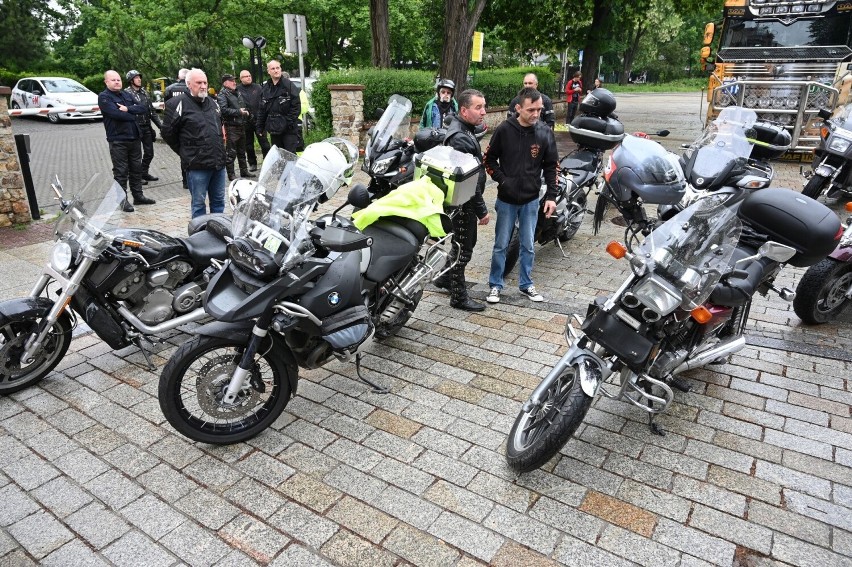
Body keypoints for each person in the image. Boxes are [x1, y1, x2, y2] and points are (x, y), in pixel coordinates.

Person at [484, 87, 557, 304]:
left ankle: (526, 284)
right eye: (531, 110)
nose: (536, 114)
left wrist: (551, 196)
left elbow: (552, 166)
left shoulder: (544, 132)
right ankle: (495, 284)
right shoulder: (504, 130)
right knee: (501, 244)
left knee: (528, 244)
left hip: (531, 199)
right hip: (506, 199)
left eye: (539, 110)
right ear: (518, 108)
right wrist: (503, 180)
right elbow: (488, 160)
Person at [432, 89, 490, 311]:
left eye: (484, 106)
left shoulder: (464, 129)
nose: (483, 112)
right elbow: (470, 180)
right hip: (463, 203)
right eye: (478, 107)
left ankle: (444, 278)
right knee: (463, 249)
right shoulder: (460, 138)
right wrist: (482, 210)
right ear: (464, 110)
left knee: (464, 244)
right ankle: (458, 297)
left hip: (462, 200)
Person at [161, 68, 227, 218]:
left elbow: (220, 127)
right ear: (189, 84)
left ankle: (217, 233)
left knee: (218, 202)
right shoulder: (177, 103)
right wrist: (186, 152)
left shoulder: (213, 103)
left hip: (218, 163)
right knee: (198, 204)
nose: (203, 86)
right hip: (197, 165)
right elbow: (167, 133)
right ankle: (200, 236)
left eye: (205, 82)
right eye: (199, 83)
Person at [98, 70, 156, 213]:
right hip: (118, 140)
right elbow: (115, 114)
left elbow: (143, 108)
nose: (117, 82)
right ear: (106, 82)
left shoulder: (126, 95)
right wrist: (132, 114)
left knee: (136, 169)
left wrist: (128, 109)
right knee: (121, 172)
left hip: (134, 138)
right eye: (113, 80)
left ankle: (138, 196)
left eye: (118, 80)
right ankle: (122, 201)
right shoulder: (104, 97)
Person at [124, 69, 163, 183]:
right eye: (136, 78)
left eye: (139, 77)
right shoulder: (126, 94)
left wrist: (161, 126)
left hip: (146, 127)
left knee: (149, 153)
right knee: (135, 155)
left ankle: (143, 172)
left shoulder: (144, 93)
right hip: (134, 128)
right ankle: (135, 177)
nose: (139, 79)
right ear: (131, 81)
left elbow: (152, 111)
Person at [256, 60, 302, 152]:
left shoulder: (288, 85)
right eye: (273, 68)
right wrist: (260, 127)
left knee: (290, 157)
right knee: (278, 157)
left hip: (289, 130)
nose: (276, 70)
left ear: (281, 69)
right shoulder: (266, 88)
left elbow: (296, 106)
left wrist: (287, 122)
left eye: (278, 68)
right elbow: (262, 109)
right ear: (268, 71)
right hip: (274, 130)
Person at [217, 74, 255, 181]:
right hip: (231, 126)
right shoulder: (222, 95)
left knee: (242, 151)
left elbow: (242, 105)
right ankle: (231, 174)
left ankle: (244, 171)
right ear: (225, 83)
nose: (234, 82)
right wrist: (239, 112)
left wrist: (248, 114)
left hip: (241, 125)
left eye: (234, 80)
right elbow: (223, 110)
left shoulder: (236, 92)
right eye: (231, 81)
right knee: (231, 152)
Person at [236, 69, 270, 167]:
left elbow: (264, 101)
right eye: (246, 76)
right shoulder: (237, 90)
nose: (249, 77)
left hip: (259, 120)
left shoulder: (258, 87)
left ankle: (267, 163)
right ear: (241, 78)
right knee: (248, 145)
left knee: (265, 144)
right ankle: (252, 163)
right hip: (246, 121)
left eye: (249, 75)